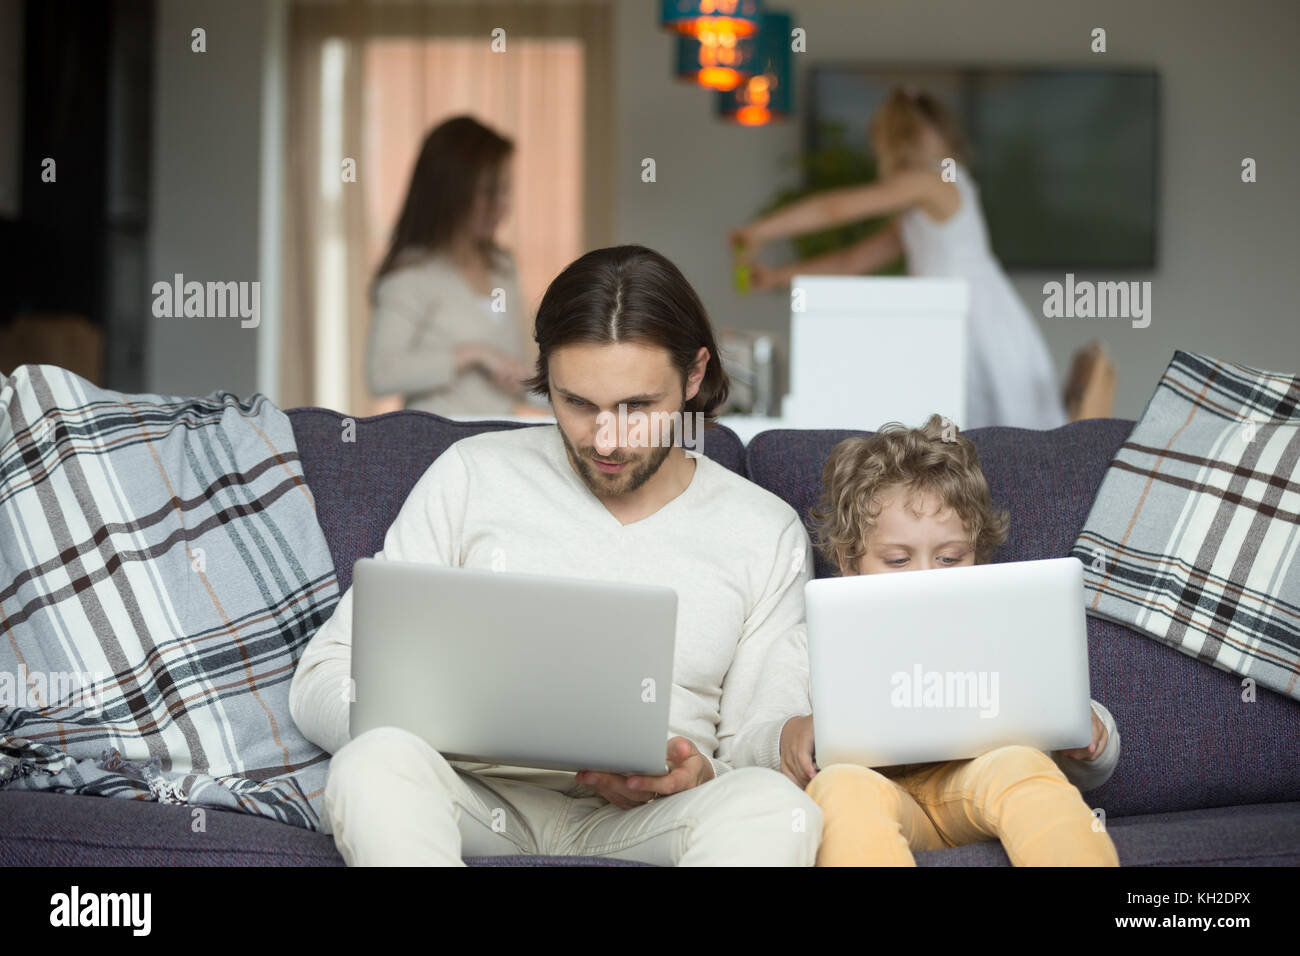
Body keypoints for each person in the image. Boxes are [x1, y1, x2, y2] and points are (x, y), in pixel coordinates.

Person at [290, 244, 823, 866]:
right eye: (578, 403)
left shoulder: (763, 530)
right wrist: (418, 721)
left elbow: (760, 737)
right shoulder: (472, 475)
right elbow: (321, 676)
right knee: (372, 764)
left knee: (774, 807)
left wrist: (697, 772)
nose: (607, 440)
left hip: (651, 822)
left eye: (637, 407)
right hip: (474, 801)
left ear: (695, 375)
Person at [750, 414, 1122, 865]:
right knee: (840, 786)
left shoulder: (1003, 627)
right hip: (878, 795)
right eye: (898, 559)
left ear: (977, 557)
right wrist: (787, 735)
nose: (925, 577)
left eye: (949, 558)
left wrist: (1087, 734)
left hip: (978, 785)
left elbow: (1076, 728)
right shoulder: (807, 646)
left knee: (1025, 765)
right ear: (850, 563)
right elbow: (746, 745)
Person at [730, 87, 1116, 428]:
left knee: (997, 431)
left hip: (976, 324)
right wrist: (778, 276)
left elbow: (837, 208)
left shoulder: (935, 182)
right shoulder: (919, 206)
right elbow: (853, 261)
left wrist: (758, 231)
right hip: (951, 327)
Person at [367, 115, 542, 417]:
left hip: (496, 441)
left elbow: (520, 374)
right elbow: (381, 375)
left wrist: (578, 403)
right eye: (489, 192)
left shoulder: (502, 266)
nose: (502, 205)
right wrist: (473, 354)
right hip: (436, 445)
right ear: (452, 192)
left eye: (505, 190)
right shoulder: (413, 275)